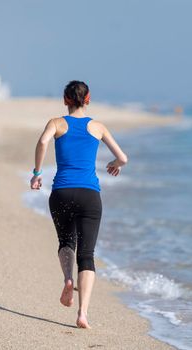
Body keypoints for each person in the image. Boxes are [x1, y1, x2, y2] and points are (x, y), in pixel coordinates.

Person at [30, 80, 128, 328]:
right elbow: (123, 158)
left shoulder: (56, 123)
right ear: (88, 99)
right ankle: (82, 313)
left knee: (66, 242)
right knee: (87, 255)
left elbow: (42, 142)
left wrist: (37, 172)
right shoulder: (97, 126)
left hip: (62, 192)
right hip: (89, 196)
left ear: (65, 99)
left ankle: (67, 279)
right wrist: (115, 165)